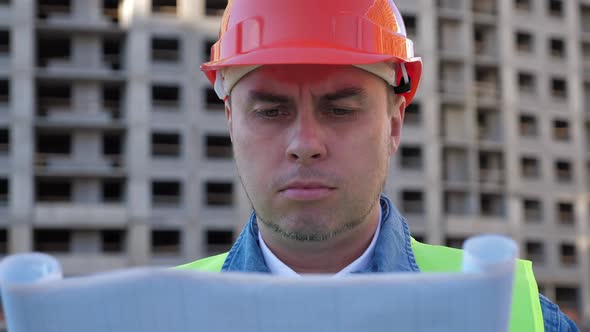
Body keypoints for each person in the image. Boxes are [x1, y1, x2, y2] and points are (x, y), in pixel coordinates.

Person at [176, 0, 579, 330]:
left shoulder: (515, 317)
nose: (305, 144)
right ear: (231, 122)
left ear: (394, 124)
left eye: (339, 109)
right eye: (269, 111)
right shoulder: (159, 314)